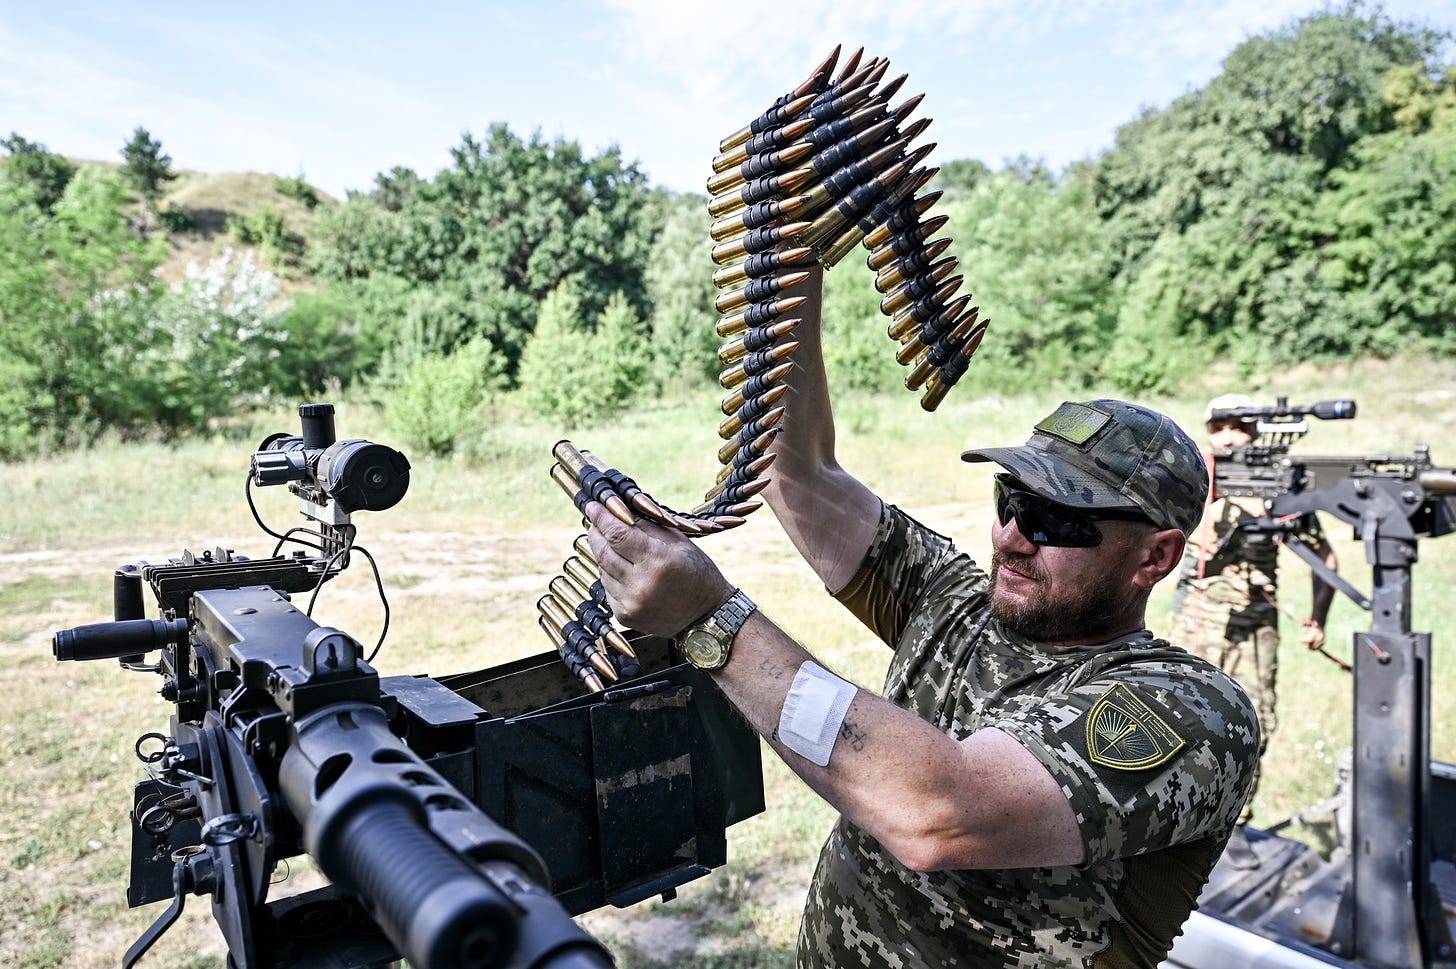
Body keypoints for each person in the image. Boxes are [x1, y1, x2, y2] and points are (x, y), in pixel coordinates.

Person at [583, 266, 1258, 969]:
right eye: (1010, 500)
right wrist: (793, 257)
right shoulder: (955, 601)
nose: (1010, 537)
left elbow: (938, 811)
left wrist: (710, 620)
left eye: (1056, 519)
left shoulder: (1194, 714)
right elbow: (799, 473)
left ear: (1156, 557)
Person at [1170, 394, 1338, 839]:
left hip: (1256, 629)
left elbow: (1325, 555)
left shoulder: (1276, 486)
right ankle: (1176, 825)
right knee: (1179, 723)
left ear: (1257, 432)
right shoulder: (1189, 479)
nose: (1227, 437)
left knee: (1255, 724)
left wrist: (1318, 617)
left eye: (1238, 426)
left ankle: (1234, 828)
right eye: (1218, 426)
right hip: (1195, 623)